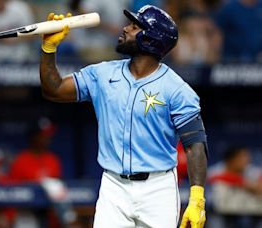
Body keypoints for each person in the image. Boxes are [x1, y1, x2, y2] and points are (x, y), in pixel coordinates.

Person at [38, 5, 208, 228]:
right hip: (114, 185)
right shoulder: (102, 74)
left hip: (158, 188)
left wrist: (197, 198)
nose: (125, 28)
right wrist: (49, 48)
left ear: (151, 39)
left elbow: (195, 144)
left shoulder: (176, 89)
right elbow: (54, 89)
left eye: (135, 26)